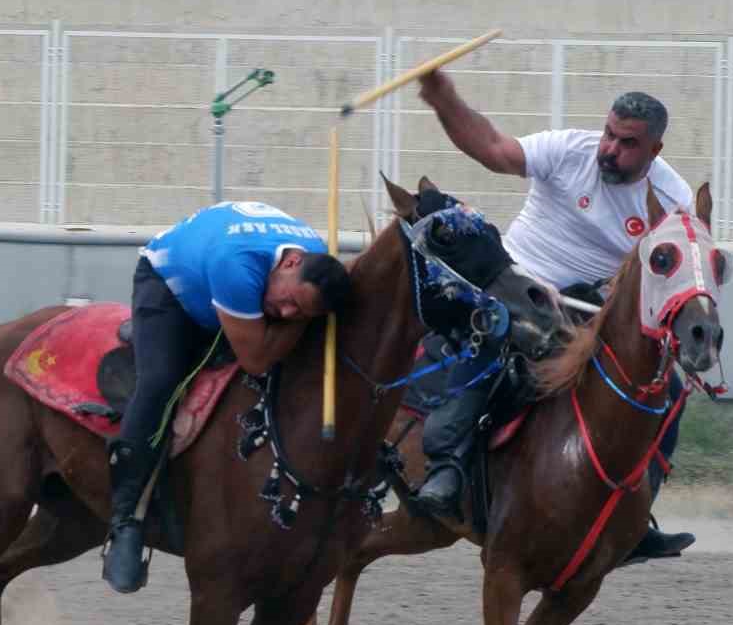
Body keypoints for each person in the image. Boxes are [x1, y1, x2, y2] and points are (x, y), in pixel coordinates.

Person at [415, 71, 696, 563]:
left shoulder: (673, 201)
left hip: (585, 313)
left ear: (654, 150)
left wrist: (608, 298)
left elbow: (664, 276)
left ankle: (636, 513)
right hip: (509, 281)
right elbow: (493, 148)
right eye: (609, 133)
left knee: (667, 389)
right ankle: (446, 468)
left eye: (627, 143)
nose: (609, 149)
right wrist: (444, 101)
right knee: (497, 338)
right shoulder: (570, 150)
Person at [104, 200, 355, 594]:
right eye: (290, 303)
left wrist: (295, 322)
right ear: (290, 264)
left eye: (299, 311)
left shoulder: (312, 261)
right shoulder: (236, 267)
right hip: (170, 287)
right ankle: (124, 521)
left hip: (232, 284)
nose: (288, 313)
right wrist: (305, 322)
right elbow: (256, 359)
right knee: (160, 381)